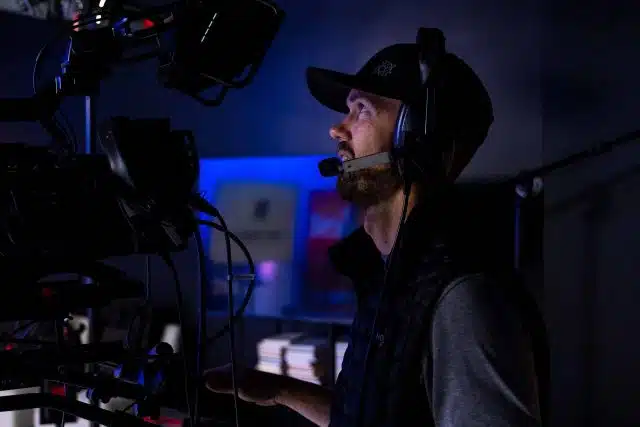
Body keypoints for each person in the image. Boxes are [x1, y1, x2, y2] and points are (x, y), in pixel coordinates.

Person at [205, 39, 548, 427]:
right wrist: (281, 391)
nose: (337, 129)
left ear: (414, 134)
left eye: (362, 110)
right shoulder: (392, 277)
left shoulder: (463, 297)